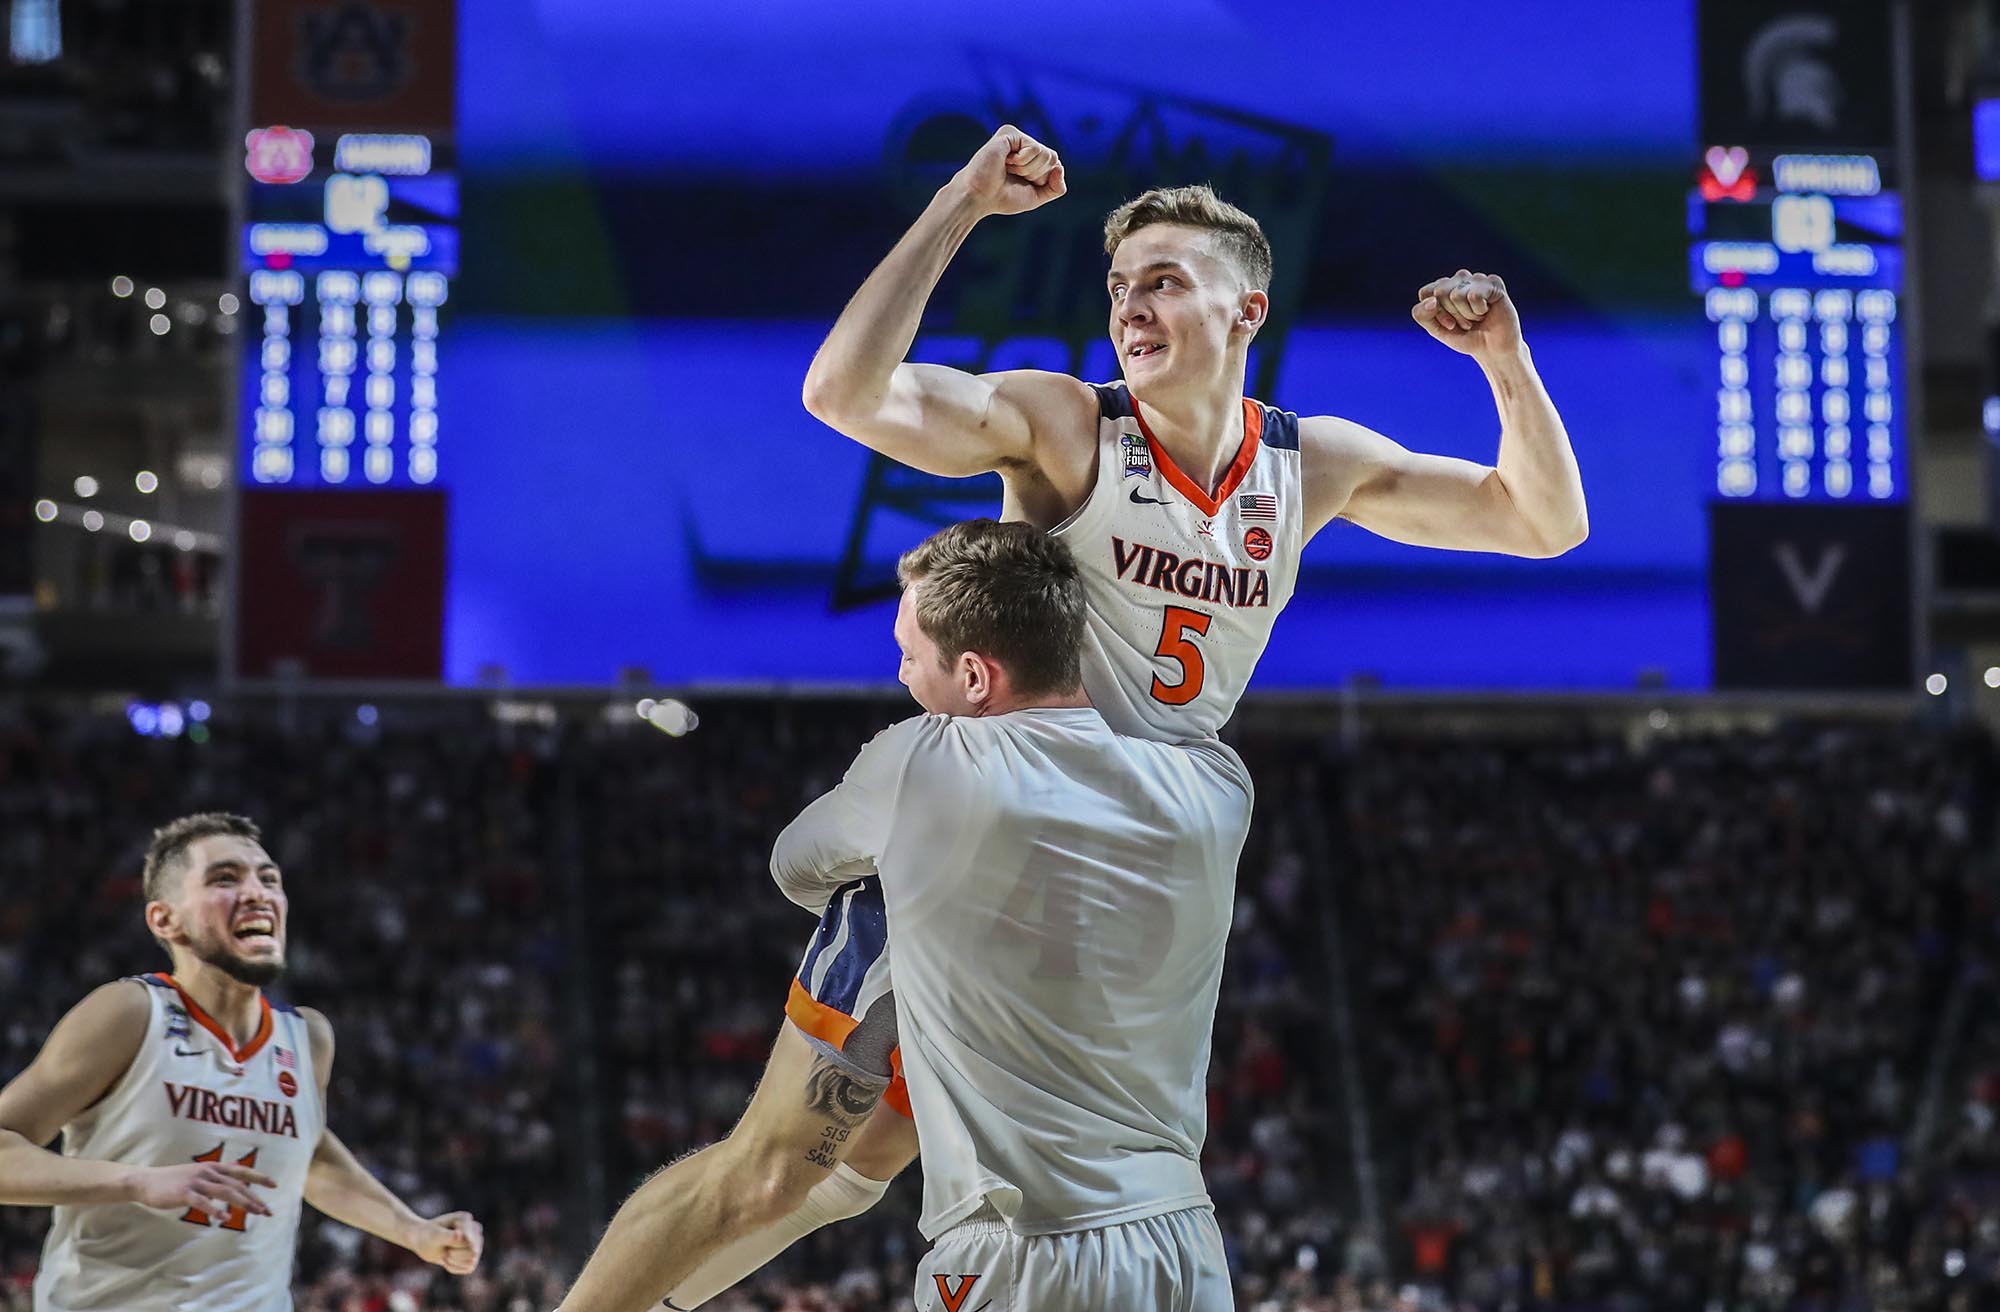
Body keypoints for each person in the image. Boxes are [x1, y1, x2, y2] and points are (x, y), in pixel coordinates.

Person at [564, 123, 1589, 1310]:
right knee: (779, 1167)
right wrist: (959, 204)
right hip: (991, 825)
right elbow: (842, 392)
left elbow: (1539, 521)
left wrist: (1505, 361)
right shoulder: (1067, 425)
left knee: (872, 1163)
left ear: (1246, 310)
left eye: (1163, 280)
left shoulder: (1309, 466)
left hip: (1127, 855)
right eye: (1118, 286)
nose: (1131, 306)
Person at [568, 521, 1253, 1311]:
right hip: (1182, 1248)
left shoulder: (922, 762)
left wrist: (936, 883)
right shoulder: (1214, 780)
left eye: (909, 654)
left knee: (768, 1161)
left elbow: (796, 866)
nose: (900, 673)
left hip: (1020, 1254)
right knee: (848, 1175)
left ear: (973, 675)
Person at [0, 812, 485, 1311]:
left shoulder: (308, 1037)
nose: (257, 893)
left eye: (269, 879)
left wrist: (414, 1230)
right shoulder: (129, 1014)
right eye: (225, 879)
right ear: (166, 920)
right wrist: (136, 1180)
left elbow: (308, 1154)